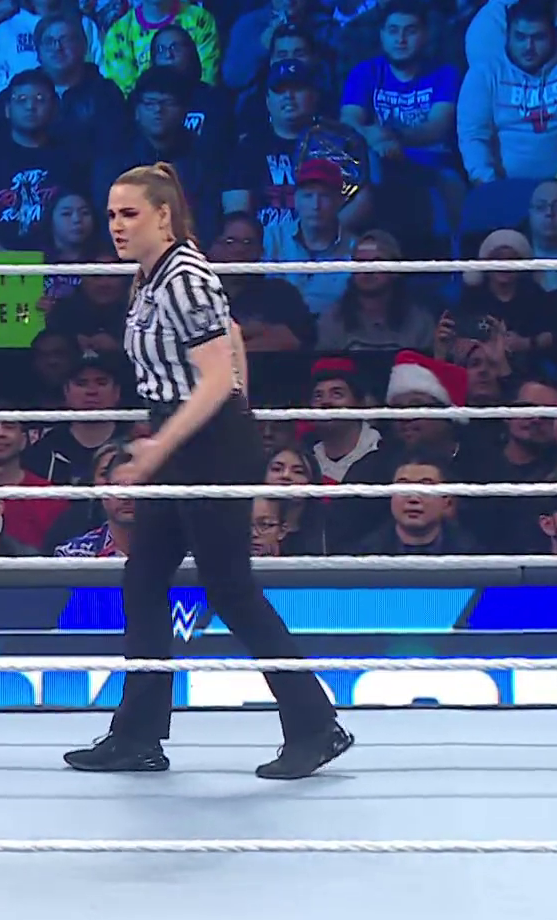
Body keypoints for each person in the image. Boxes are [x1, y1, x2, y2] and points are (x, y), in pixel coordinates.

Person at [63, 162, 354, 780]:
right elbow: (232, 338)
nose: (116, 225)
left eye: (130, 213)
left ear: (163, 215)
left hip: (207, 443)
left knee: (230, 589)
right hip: (184, 436)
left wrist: (166, 443)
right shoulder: (152, 274)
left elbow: (218, 375)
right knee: (144, 579)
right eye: (111, 214)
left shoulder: (185, 277)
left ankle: (315, 725)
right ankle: (138, 735)